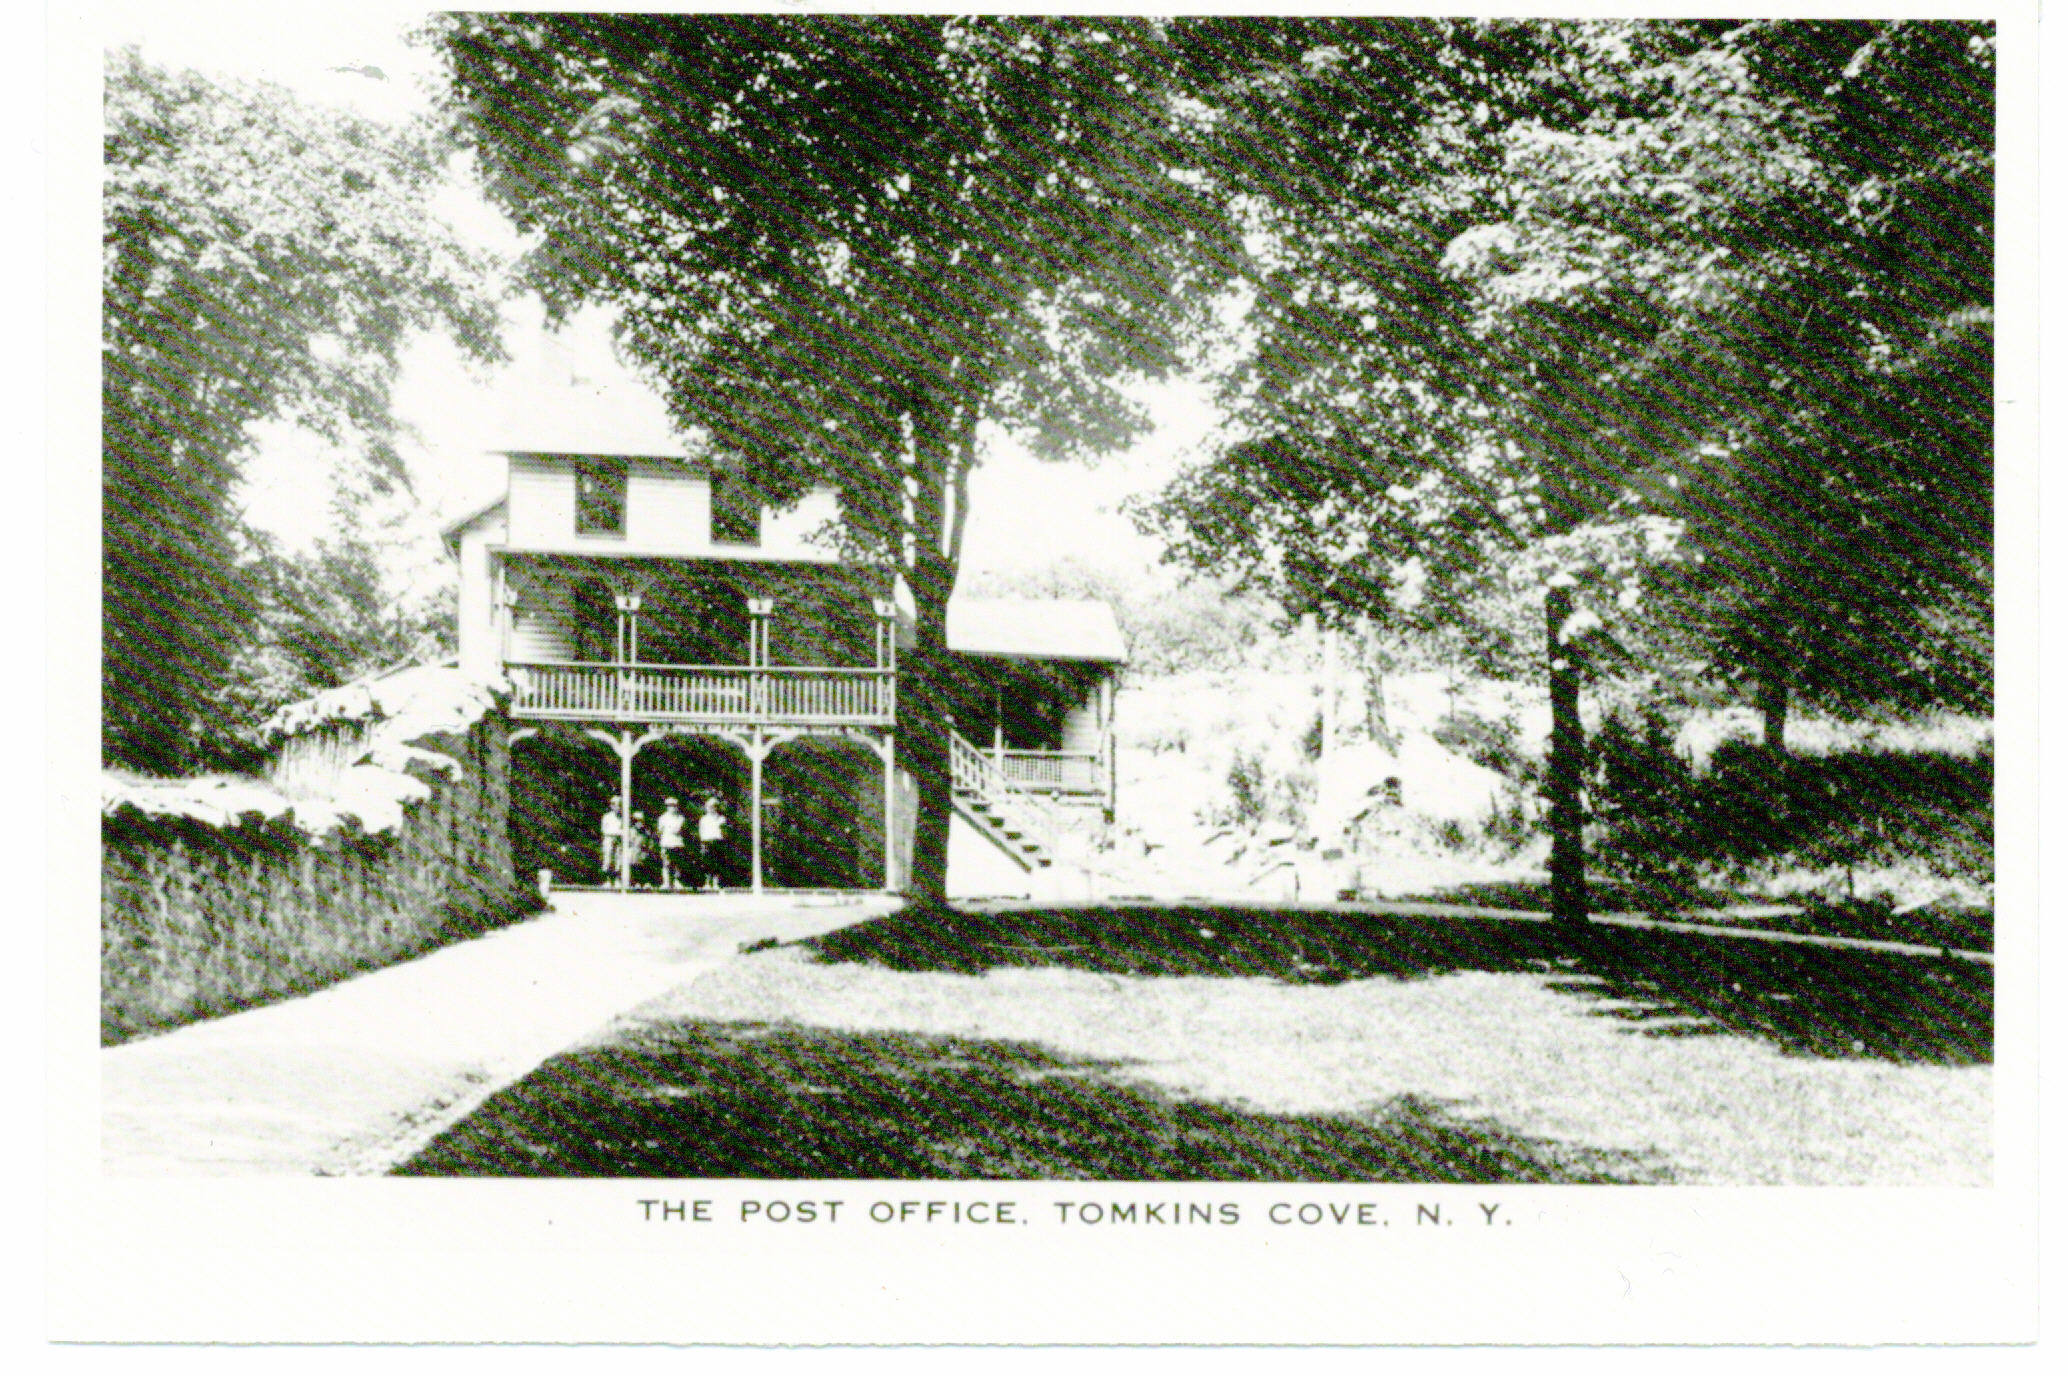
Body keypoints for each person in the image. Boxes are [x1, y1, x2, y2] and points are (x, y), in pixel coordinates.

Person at [657, 797, 688, 891]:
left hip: (677, 843)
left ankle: (676, 881)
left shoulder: (681, 818)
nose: (672, 808)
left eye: (674, 806)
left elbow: (679, 829)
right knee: (666, 863)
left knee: (677, 864)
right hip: (666, 843)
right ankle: (666, 882)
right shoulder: (662, 818)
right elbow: (659, 831)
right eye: (670, 806)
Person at [698, 796, 728, 891]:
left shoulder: (722, 819)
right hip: (706, 842)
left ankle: (716, 883)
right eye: (709, 806)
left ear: (716, 807)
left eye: (713, 806)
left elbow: (724, 832)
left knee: (717, 863)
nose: (711, 808)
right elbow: (701, 831)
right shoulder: (703, 819)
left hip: (717, 842)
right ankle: (707, 883)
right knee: (707, 864)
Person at [599, 801, 624, 886]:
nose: (618, 807)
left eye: (619, 806)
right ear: (612, 806)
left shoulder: (622, 818)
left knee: (618, 861)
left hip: (618, 840)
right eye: (616, 805)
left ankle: (617, 880)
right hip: (609, 839)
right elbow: (603, 830)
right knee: (608, 860)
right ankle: (607, 880)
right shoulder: (607, 817)